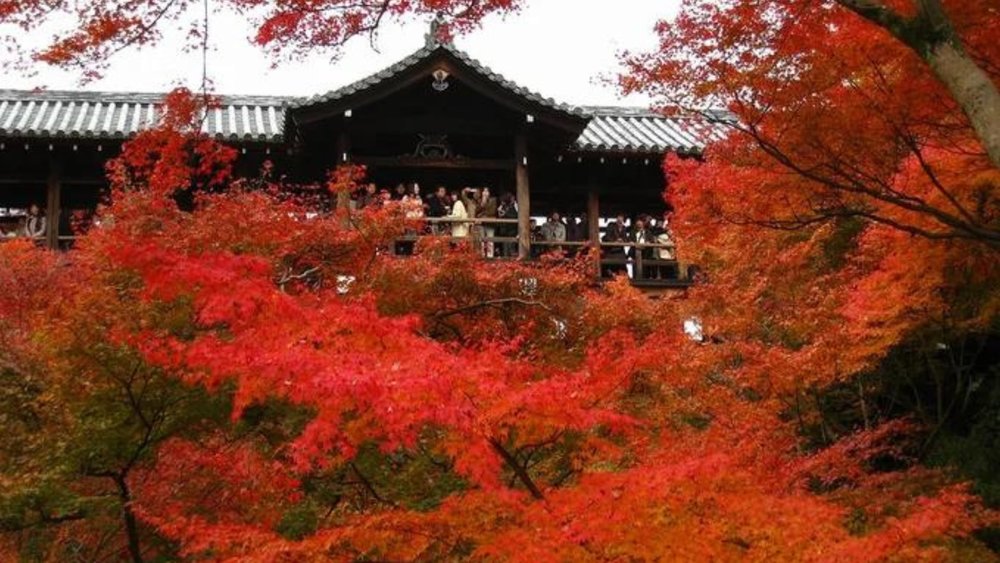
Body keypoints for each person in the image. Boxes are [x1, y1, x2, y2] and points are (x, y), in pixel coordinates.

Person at [476, 186, 498, 258]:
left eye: (487, 191)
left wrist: (482, 214)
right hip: (481, 224)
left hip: (490, 223)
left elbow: (492, 211)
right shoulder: (479, 201)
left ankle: (490, 256)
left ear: (489, 193)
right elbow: (476, 212)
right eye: (484, 191)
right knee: (482, 240)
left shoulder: (493, 200)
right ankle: (482, 255)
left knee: (490, 240)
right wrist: (482, 203)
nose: (485, 193)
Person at [495, 192, 518, 257]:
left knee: (511, 248)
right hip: (504, 230)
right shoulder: (503, 206)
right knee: (505, 248)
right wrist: (500, 211)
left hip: (512, 230)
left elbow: (516, 216)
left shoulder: (516, 206)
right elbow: (499, 215)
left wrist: (505, 214)